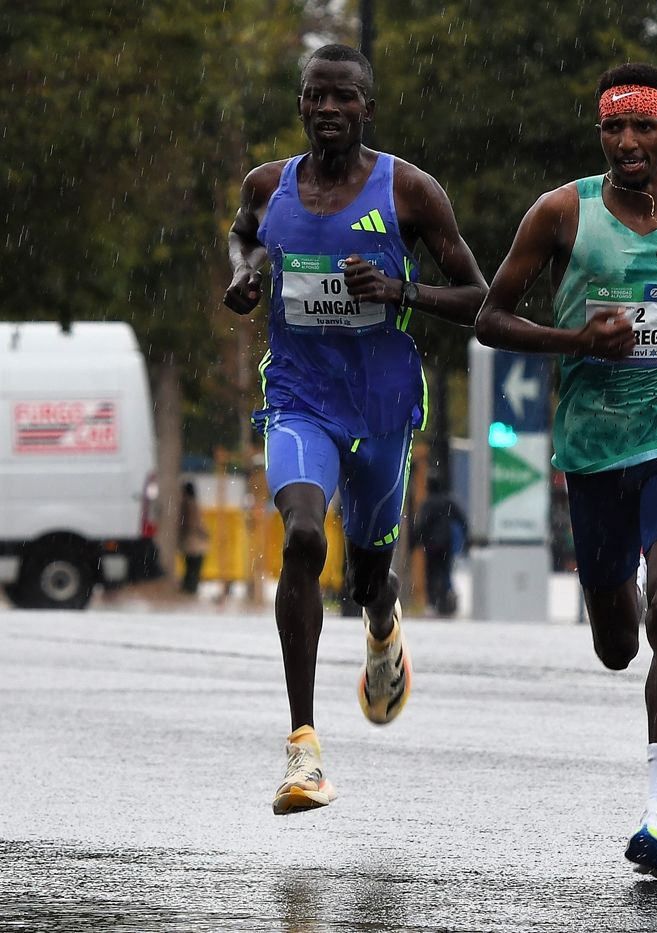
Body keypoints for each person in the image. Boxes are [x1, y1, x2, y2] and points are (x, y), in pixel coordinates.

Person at [473, 63, 657, 878]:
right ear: (601, 135)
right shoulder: (563, 212)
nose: (628, 143)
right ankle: (619, 597)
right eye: (613, 129)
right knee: (615, 642)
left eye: (644, 128)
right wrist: (577, 344)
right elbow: (492, 317)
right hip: (593, 451)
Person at [223, 44, 488, 815]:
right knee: (304, 536)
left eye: (344, 97)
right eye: (317, 96)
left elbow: (478, 294)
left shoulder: (409, 190)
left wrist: (401, 287)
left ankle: (381, 625)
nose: (329, 109)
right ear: (301, 105)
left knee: (368, 572)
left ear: (366, 108)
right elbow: (244, 234)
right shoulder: (268, 186)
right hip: (300, 393)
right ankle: (302, 748)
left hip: (380, 402)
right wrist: (245, 273)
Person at [412, 475, 468, 616]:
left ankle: (431, 604)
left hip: (431, 545)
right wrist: (466, 537)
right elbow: (462, 520)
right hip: (446, 544)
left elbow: (423, 524)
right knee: (445, 571)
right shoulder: (448, 502)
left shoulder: (427, 504)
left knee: (431, 573)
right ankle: (448, 597)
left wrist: (415, 541)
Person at [177, 481, 210, 595]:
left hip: (192, 542)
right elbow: (197, 524)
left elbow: (190, 523)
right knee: (194, 570)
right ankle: (190, 591)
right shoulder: (193, 503)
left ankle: (189, 591)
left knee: (191, 570)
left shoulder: (187, 504)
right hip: (196, 543)